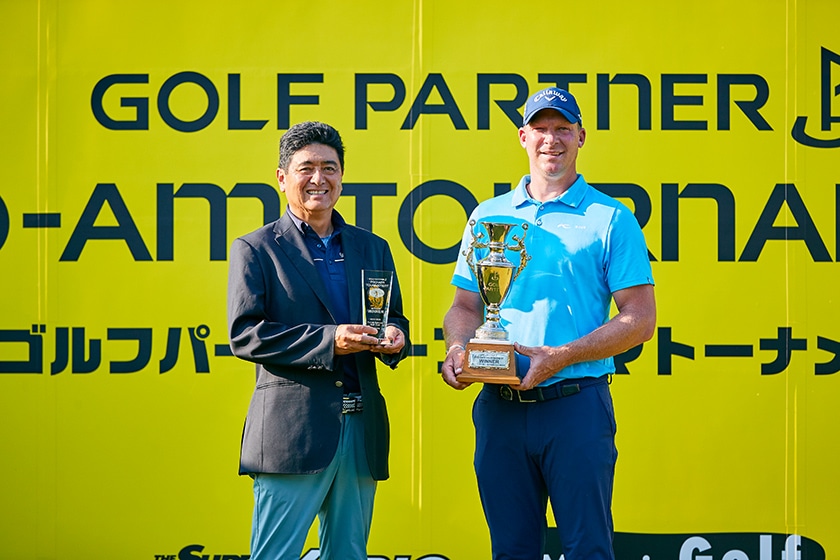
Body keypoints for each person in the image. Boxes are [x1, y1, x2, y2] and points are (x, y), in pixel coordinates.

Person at [441, 87, 656, 560]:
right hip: (499, 408)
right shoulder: (487, 216)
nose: (551, 140)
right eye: (540, 128)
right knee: (511, 550)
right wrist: (458, 348)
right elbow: (465, 307)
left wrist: (560, 357)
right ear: (523, 136)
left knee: (588, 550)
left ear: (581, 136)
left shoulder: (611, 218)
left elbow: (640, 320)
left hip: (575, 407)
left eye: (562, 129)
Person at [227, 121, 410, 560]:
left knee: (349, 553)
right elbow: (246, 334)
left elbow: (394, 315)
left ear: (342, 177)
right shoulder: (256, 248)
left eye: (330, 168)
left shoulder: (372, 247)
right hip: (292, 435)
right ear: (282, 177)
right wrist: (332, 341)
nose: (318, 179)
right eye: (306, 167)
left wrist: (395, 335)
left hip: (361, 428)